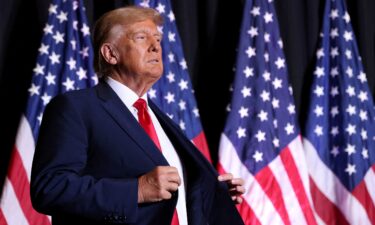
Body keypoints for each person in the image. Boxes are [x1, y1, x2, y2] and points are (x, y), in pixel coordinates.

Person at [31, 6, 245, 225]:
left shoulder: (159, 118)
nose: (155, 47)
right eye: (141, 37)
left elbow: (170, 198)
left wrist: (208, 193)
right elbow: (50, 188)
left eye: (158, 40)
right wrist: (136, 190)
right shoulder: (76, 107)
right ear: (111, 53)